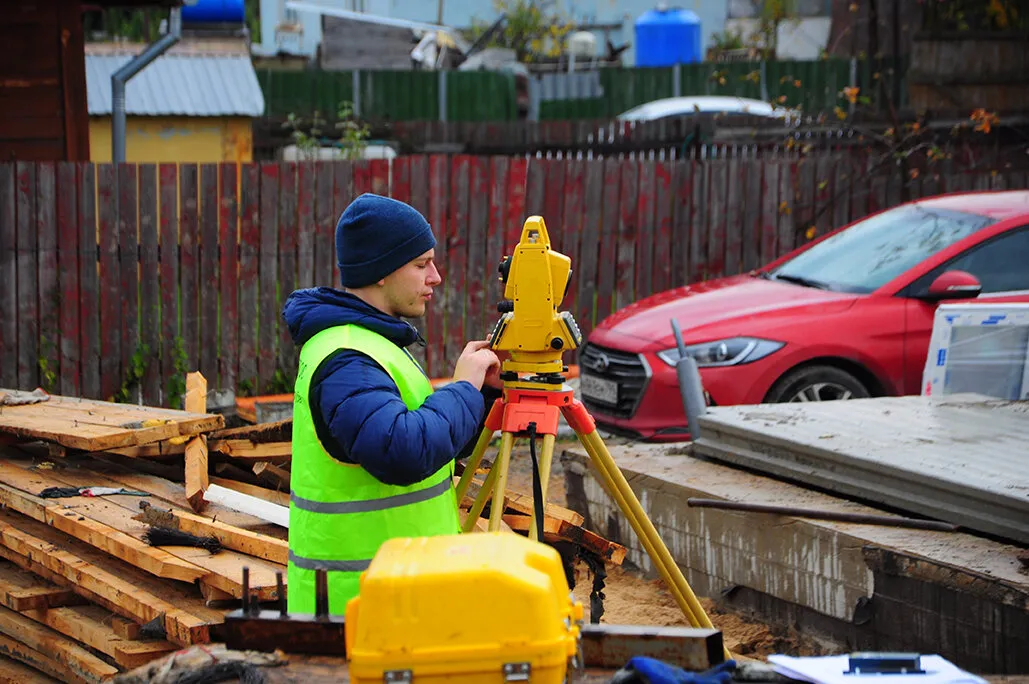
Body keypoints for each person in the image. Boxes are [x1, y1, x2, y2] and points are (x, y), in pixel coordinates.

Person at [282, 193, 501, 615]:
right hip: (355, 612)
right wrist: (463, 390)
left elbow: (433, 448)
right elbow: (402, 451)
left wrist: (484, 395)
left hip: (398, 600)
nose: (435, 277)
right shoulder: (347, 358)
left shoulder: (373, 345)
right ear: (380, 271)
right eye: (421, 264)